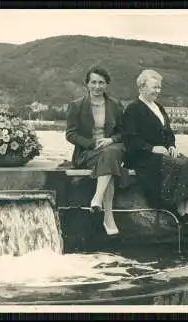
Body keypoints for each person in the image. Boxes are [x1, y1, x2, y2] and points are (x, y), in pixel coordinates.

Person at [122, 69, 188, 226]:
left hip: (162, 154)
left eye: (159, 87)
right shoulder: (133, 109)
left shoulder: (158, 107)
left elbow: (168, 133)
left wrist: (171, 146)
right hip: (142, 157)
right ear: (141, 87)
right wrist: (151, 148)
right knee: (180, 165)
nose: (158, 91)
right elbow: (130, 139)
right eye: (154, 87)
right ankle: (182, 213)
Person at [65, 66, 126, 236]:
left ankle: (97, 199)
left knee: (111, 152)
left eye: (101, 82)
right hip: (88, 152)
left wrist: (110, 140)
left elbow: (124, 132)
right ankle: (108, 216)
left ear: (106, 85)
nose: (97, 86)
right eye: (94, 82)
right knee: (109, 158)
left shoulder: (115, 105)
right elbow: (70, 134)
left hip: (112, 147)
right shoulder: (76, 105)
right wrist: (91, 144)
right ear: (87, 84)